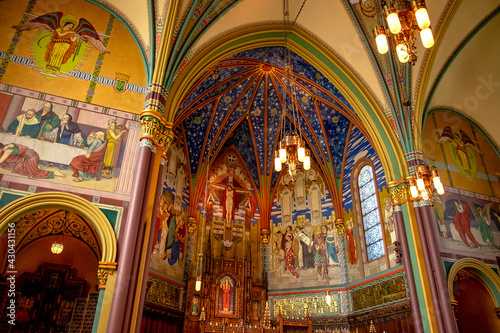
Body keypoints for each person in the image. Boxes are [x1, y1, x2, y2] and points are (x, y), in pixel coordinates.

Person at [0, 143, 64, 179]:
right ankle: (34, 167)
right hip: (26, 156)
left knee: (34, 174)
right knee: (19, 169)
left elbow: (1, 160)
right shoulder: (8, 145)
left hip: (31, 156)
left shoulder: (7, 151)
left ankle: (54, 173)